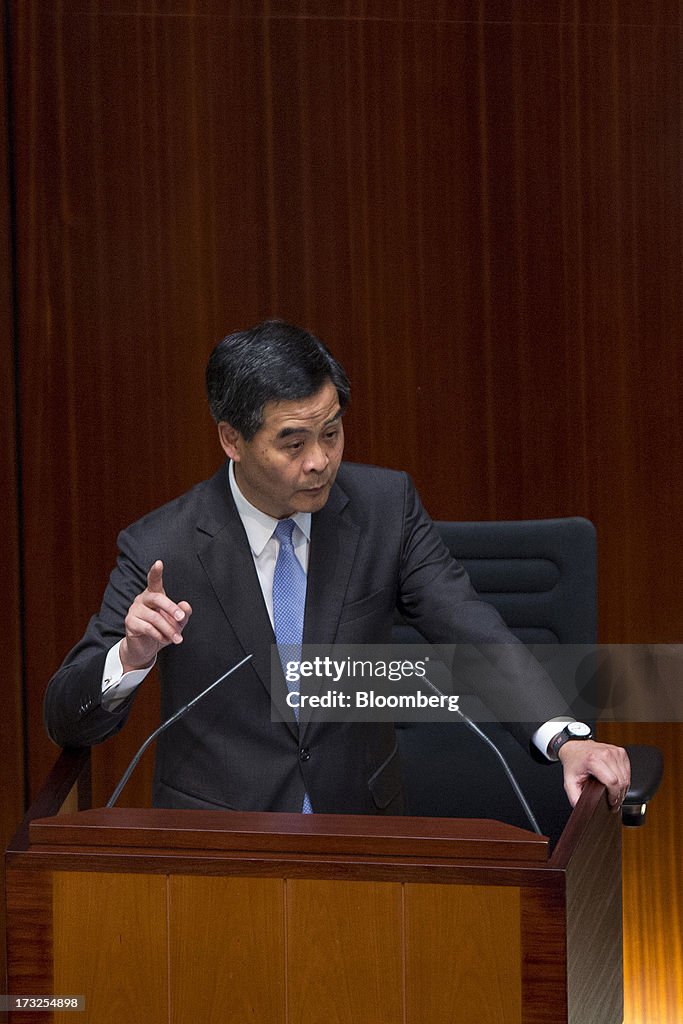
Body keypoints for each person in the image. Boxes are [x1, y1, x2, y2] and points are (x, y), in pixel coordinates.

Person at [44, 321, 630, 815]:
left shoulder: (384, 509)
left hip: (363, 832)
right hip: (217, 847)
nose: (320, 461)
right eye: (293, 443)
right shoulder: (162, 544)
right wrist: (129, 659)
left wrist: (562, 738)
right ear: (232, 439)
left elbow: (471, 629)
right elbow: (65, 717)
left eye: (332, 432)